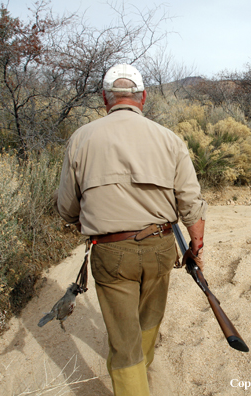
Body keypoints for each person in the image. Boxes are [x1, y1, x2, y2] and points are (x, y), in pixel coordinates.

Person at [56, 63, 207, 395]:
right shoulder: (169, 138)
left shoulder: (82, 138)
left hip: (111, 252)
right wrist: (195, 243)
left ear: (105, 99)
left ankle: (133, 376)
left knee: (123, 341)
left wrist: (79, 219)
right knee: (150, 316)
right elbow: (190, 201)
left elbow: (66, 207)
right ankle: (144, 367)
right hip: (161, 247)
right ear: (143, 97)